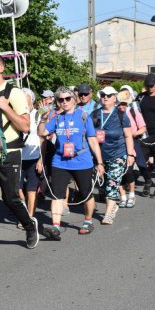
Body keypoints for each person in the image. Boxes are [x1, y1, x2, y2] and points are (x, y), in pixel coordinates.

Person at [0, 55, 39, 259]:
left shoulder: (14, 93)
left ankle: (30, 226)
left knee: (10, 197)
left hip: (10, 152)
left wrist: (6, 107)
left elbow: (25, 126)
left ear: (1, 68)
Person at [37, 86, 104, 239]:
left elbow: (93, 141)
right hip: (60, 161)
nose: (64, 102)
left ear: (74, 99)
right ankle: (55, 227)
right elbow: (42, 133)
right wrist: (43, 118)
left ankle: (88, 221)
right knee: (57, 195)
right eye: (61, 99)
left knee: (85, 194)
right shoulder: (57, 118)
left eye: (67, 98)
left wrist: (99, 163)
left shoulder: (84, 117)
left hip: (82, 161)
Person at [92, 86, 136, 224]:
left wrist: (130, 154)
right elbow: (90, 136)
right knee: (104, 184)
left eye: (109, 95)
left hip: (118, 153)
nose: (105, 97)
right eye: (103, 95)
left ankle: (108, 214)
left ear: (115, 98)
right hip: (99, 155)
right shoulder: (94, 114)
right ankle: (113, 205)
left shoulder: (121, 114)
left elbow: (128, 136)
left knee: (112, 183)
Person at [116, 90, 147, 208]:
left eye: (124, 103)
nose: (121, 106)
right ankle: (123, 196)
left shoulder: (133, 112)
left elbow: (143, 128)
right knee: (118, 173)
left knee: (129, 172)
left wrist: (133, 134)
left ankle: (132, 195)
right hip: (117, 146)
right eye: (120, 103)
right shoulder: (114, 114)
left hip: (132, 144)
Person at [20, 88, 43, 227]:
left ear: (32, 100)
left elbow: (43, 138)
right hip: (18, 157)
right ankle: (23, 214)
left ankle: (29, 218)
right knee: (16, 190)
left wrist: (41, 159)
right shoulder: (16, 115)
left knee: (31, 190)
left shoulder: (37, 115)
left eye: (25, 98)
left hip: (34, 156)